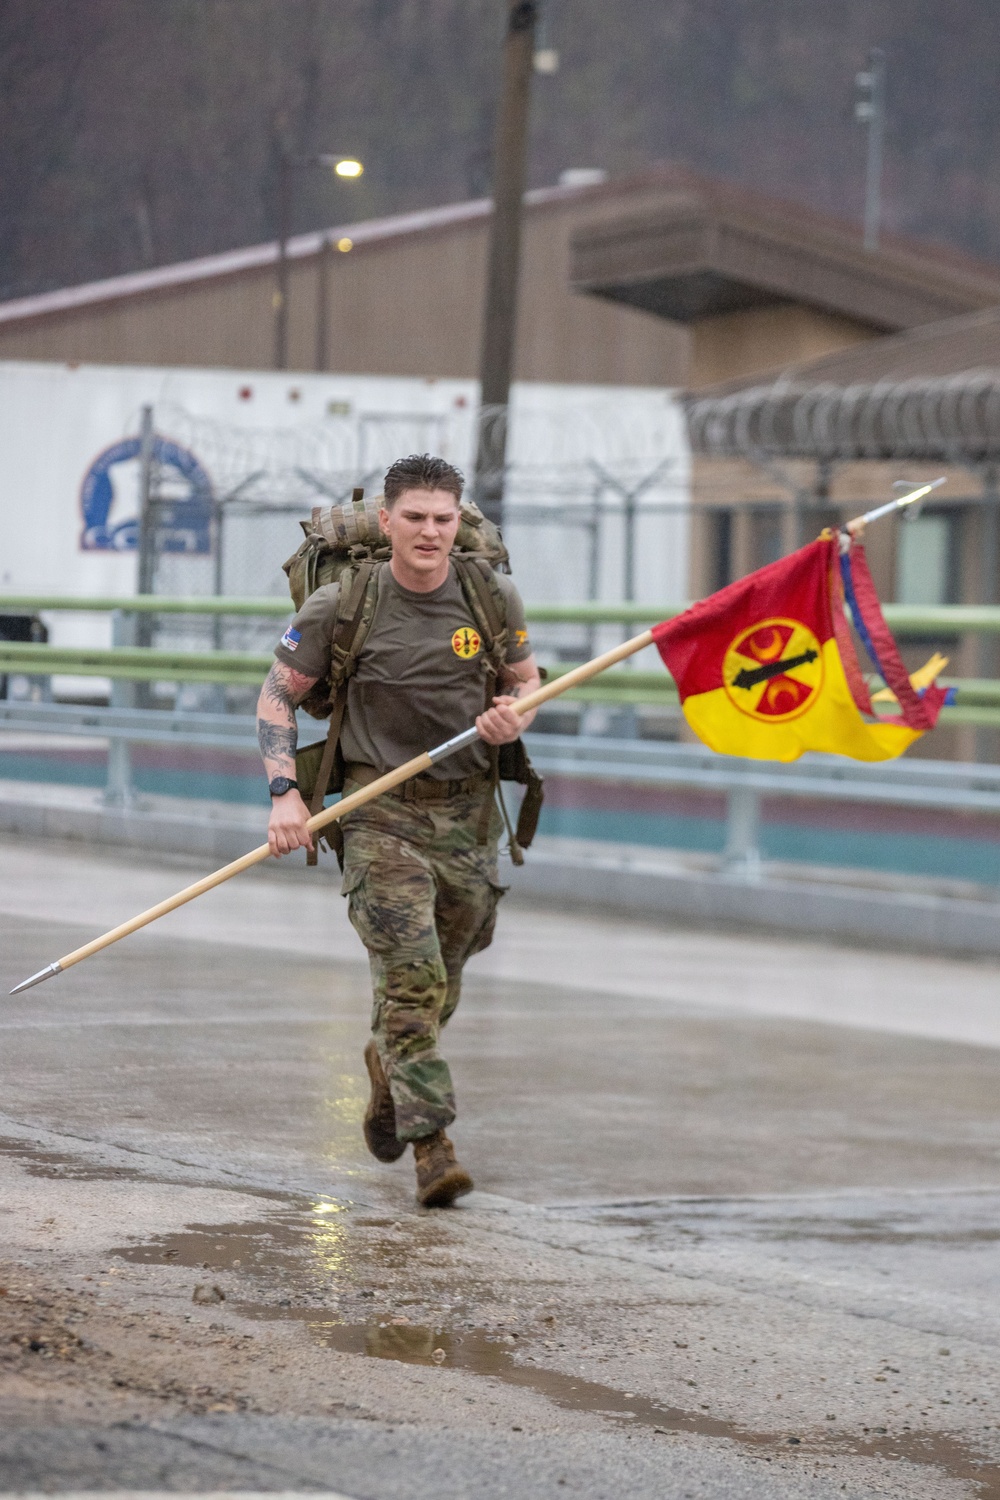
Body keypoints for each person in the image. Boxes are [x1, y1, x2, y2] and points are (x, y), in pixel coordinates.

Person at [256, 454, 539, 1207]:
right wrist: (286, 794)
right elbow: (278, 696)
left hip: (467, 814)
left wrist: (519, 713)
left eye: (444, 519)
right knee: (411, 978)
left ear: (458, 523)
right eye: (414, 517)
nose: (430, 532)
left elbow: (527, 680)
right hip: (378, 814)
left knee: (443, 978)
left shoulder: (490, 594)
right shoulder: (345, 604)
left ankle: (390, 1068)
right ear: (387, 523)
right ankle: (432, 1146)